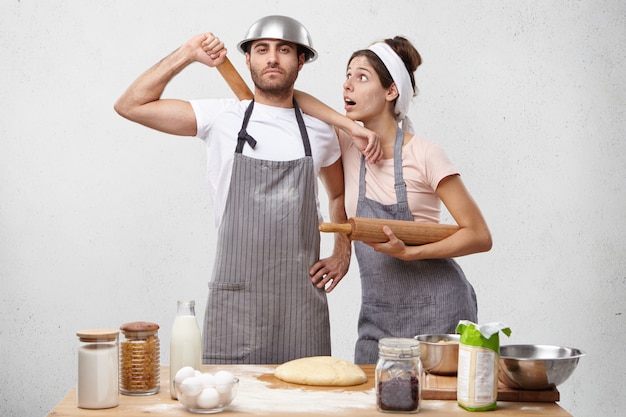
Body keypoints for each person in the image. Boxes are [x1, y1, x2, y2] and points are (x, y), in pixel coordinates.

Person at [114, 15, 378, 364]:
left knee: (304, 403)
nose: (272, 58)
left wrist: (342, 250)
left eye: (284, 50)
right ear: (248, 60)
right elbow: (130, 105)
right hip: (235, 303)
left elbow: (338, 196)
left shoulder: (321, 131)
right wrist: (187, 53)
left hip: (300, 302)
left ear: (300, 61)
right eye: (262, 49)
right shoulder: (221, 117)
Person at [296, 36, 493, 363]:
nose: (348, 86)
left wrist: (411, 253)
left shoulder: (424, 153)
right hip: (378, 317)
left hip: (438, 311)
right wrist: (349, 126)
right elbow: (290, 99)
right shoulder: (345, 144)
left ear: (391, 91)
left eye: (361, 77)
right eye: (347, 76)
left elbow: (479, 235)